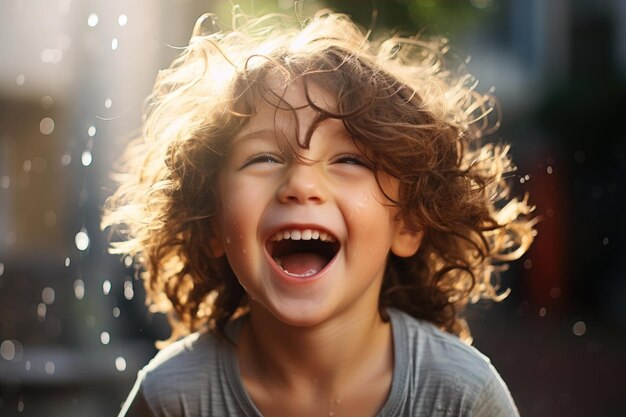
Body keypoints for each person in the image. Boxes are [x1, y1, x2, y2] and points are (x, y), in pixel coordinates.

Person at [103, 7, 535, 417]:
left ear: (408, 223)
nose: (302, 185)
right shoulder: (171, 398)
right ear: (211, 220)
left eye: (350, 160)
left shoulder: (461, 395)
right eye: (263, 158)